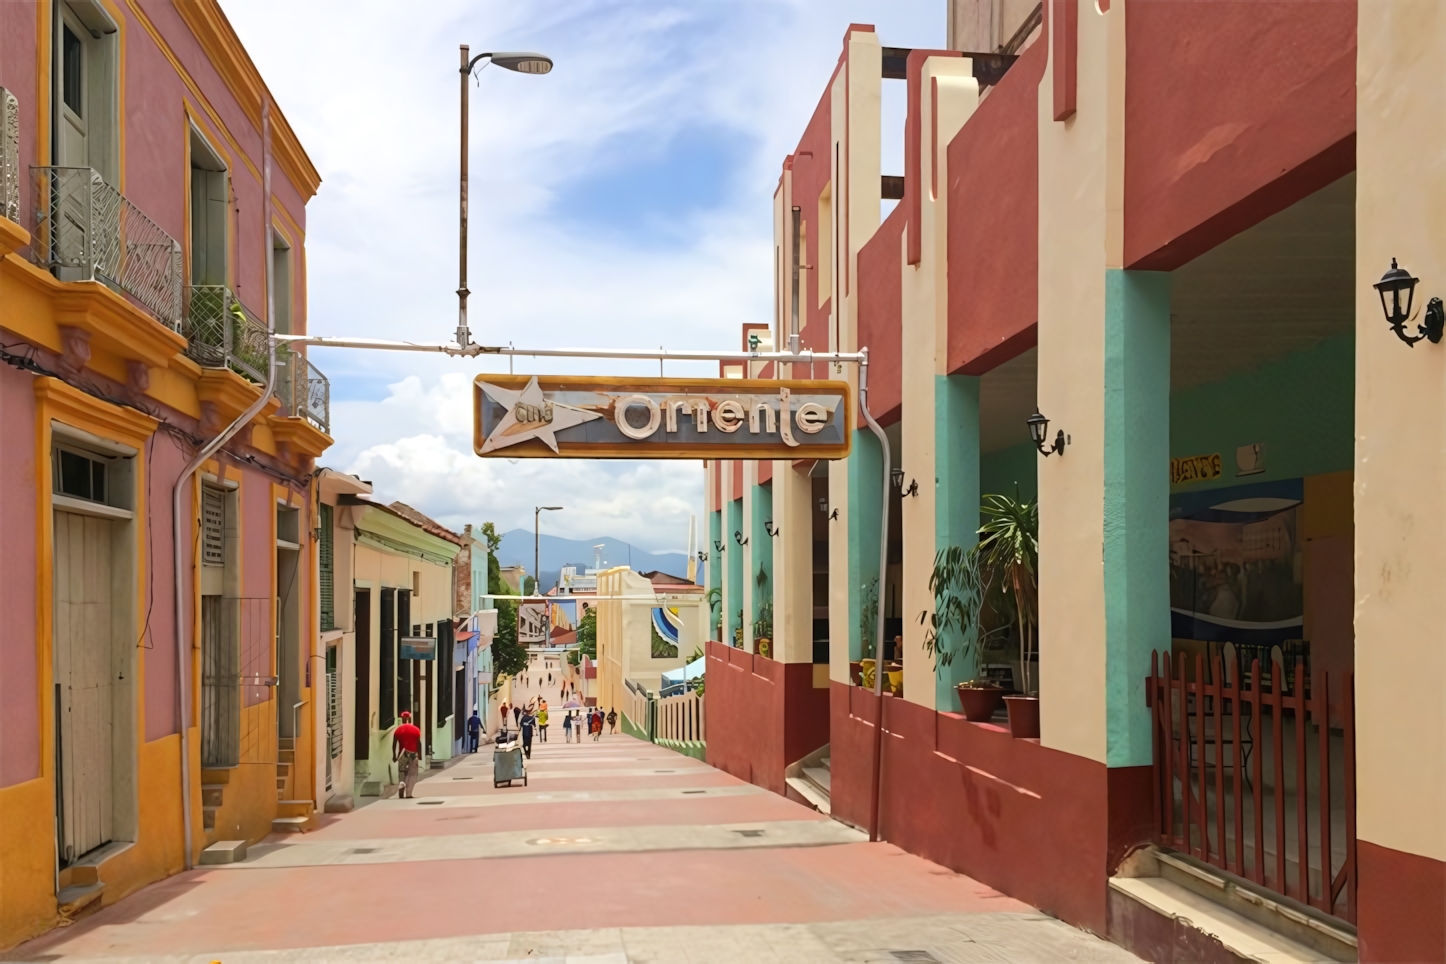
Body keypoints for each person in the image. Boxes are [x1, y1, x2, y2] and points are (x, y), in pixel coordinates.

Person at [392, 710, 422, 799]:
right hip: (413, 754)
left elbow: (394, 744)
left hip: (402, 754)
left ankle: (401, 789)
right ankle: (409, 794)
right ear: (410, 718)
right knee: (412, 774)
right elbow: (418, 743)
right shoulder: (416, 729)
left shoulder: (398, 730)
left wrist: (394, 755)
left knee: (402, 773)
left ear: (402, 719)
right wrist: (419, 754)